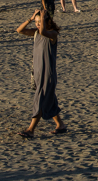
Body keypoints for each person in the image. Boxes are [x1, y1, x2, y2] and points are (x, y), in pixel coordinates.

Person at [16, 10, 66, 138]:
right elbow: (19, 30)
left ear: (47, 21)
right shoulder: (36, 33)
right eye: (37, 22)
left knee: (40, 99)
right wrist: (31, 19)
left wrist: (43, 18)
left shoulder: (52, 34)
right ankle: (60, 125)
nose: (38, 24)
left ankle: (31, 129)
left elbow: (44, 31)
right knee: (49, 99)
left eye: (40, 22)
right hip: (38, 72)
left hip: (47, 73)